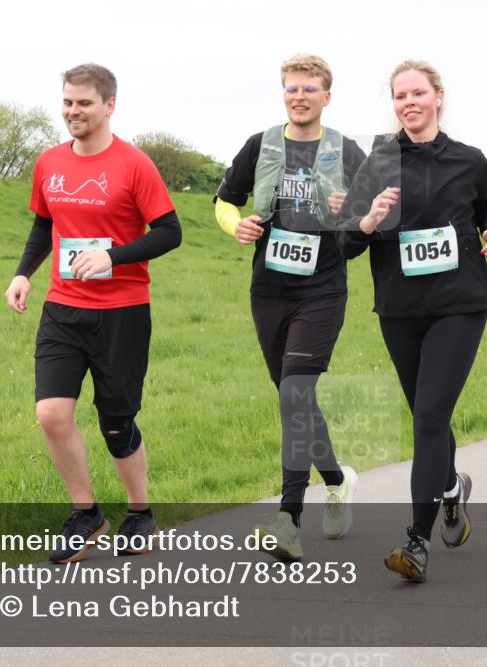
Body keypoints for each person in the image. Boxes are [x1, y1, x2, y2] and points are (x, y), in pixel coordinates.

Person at [338, 60, 487, 581]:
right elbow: (346, 238)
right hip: (400, 307)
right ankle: (452, 487)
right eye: (399, 96)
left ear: (438, 96)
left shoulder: (469, 160)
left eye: (417, 93)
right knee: (425, 411)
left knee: (428, 418)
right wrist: (368, 220)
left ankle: (416, 542)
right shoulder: (377, 163)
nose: (408, 103)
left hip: (460, 302)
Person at [4, 63, 182, 563]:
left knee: (116, 423)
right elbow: (44, 227)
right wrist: (23, 274)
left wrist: (113, 255)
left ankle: (140, 512)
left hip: (122, 312)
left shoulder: (133, 165)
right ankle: (87, 515)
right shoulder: (49, 164)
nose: (73, 111)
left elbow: (170, 232)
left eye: (83, 103)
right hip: (63, 308)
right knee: (51, 414)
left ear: (108, 106)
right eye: (67, 102)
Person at [215, 54, 366, 561]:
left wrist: (358, 211)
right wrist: (234, 225)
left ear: (327, 95)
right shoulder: (261, 145)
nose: (299, 96)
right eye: (290, 88)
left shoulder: (346, 150)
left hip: (322, 290)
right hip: (269, 289)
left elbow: (378, 217)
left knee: (296, 392)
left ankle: (288, 519)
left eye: (309, 88)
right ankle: (337, 479)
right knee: (292, 397)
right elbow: (224, 199)